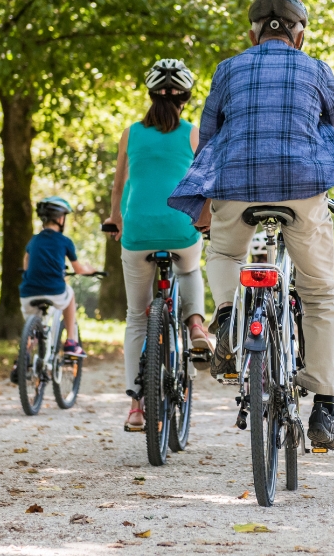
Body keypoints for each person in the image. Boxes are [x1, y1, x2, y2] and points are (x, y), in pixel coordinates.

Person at [168, 0, 334, 451]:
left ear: (252, 33)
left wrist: (203, 194)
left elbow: (209, 140)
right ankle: (324, 409)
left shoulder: (228, 69)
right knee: (320, 294)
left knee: (224, 250)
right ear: (300, 35)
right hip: (303, 190)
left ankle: (226, 317)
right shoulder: (317, 69)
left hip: (236, 188)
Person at [104, 59, 210, 433]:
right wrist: (206, 219)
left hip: (137, 233)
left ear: (150, 95)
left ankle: (136, 406)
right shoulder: (193, 133)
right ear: (186, 98)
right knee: (190, 266)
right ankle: (196, 326)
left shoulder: (130, 133)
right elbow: (205, 184)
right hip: (181, 228)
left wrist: (115, 220)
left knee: (136, 317)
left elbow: (119, 186)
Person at [11, 196, 97, 384]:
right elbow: (78, 269)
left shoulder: (33, 241)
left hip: (28, 293)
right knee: (70, 293)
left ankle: (21, 361)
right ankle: (71, 343)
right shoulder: (64, 241)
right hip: (54, 291)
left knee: (34, 329)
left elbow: (26, 263)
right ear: (60, 218)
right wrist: (90, 270)